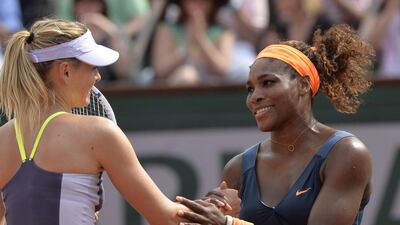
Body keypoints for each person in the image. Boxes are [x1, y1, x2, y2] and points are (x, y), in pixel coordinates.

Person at [177, 24, 374, 225]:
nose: (254, 97)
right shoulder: (237, 169)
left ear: (303, 85)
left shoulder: (347, 154)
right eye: (250, 89)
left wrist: (229, 224)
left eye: (268, 82)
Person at [0, 18, 192, 225]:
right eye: (92, 68)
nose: (98, 77)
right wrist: (220, 215)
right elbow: (167, 218)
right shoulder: (99, 133)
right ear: (65, 71)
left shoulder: (2, 139)